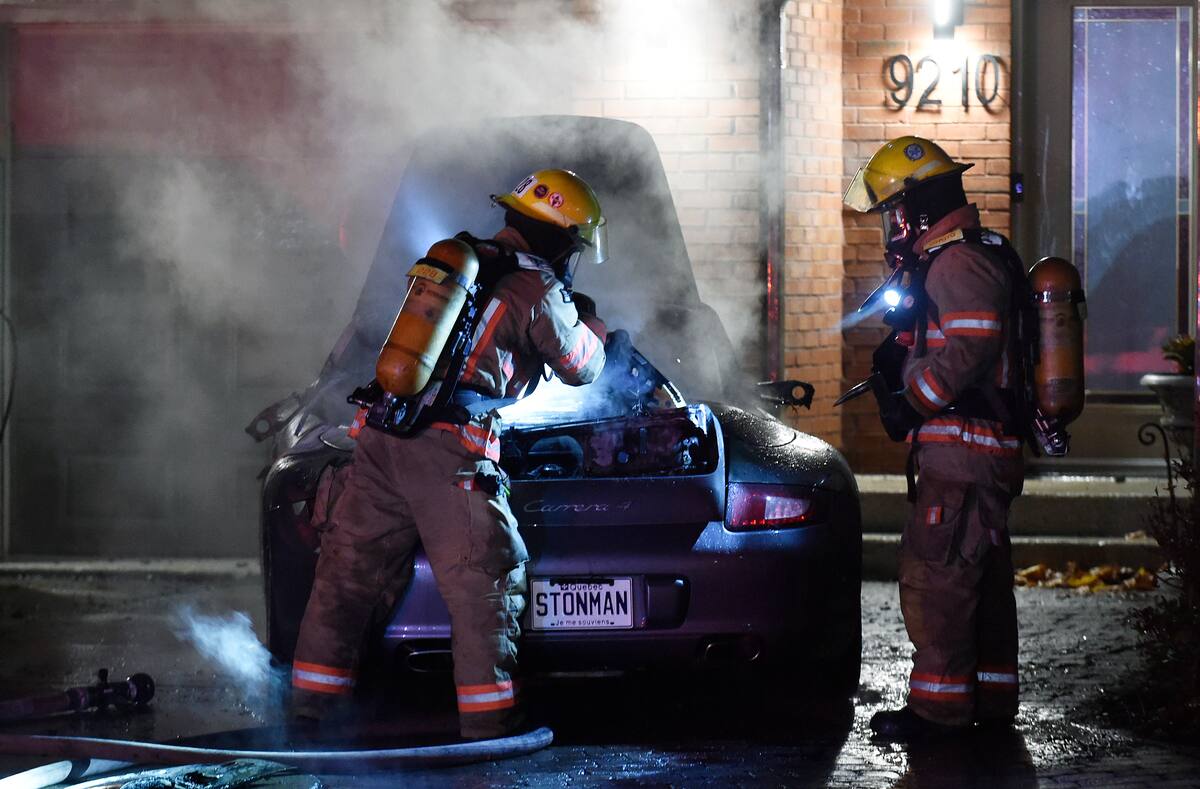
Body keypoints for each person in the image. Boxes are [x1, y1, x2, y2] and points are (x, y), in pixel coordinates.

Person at [290, 168, 608, 740]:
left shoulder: (461, 261)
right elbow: (581, 366)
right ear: (562, 238)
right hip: (448, 454)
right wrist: (595, 327)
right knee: (485, 588)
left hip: (381, 436)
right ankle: (491, 727)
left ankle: (312, 716)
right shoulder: (536, 289)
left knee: (346, 579)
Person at [843, 136, 1024, 741]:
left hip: (963, 454)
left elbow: (971, 347)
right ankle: (991, 701)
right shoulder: (967, 256)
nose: (890, 227)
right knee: (981, 581)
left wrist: (910, 399)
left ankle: (939, 712)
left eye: (892, 212)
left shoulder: (955, 263)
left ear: (916, 208)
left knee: (936, 578)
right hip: (976, 454)